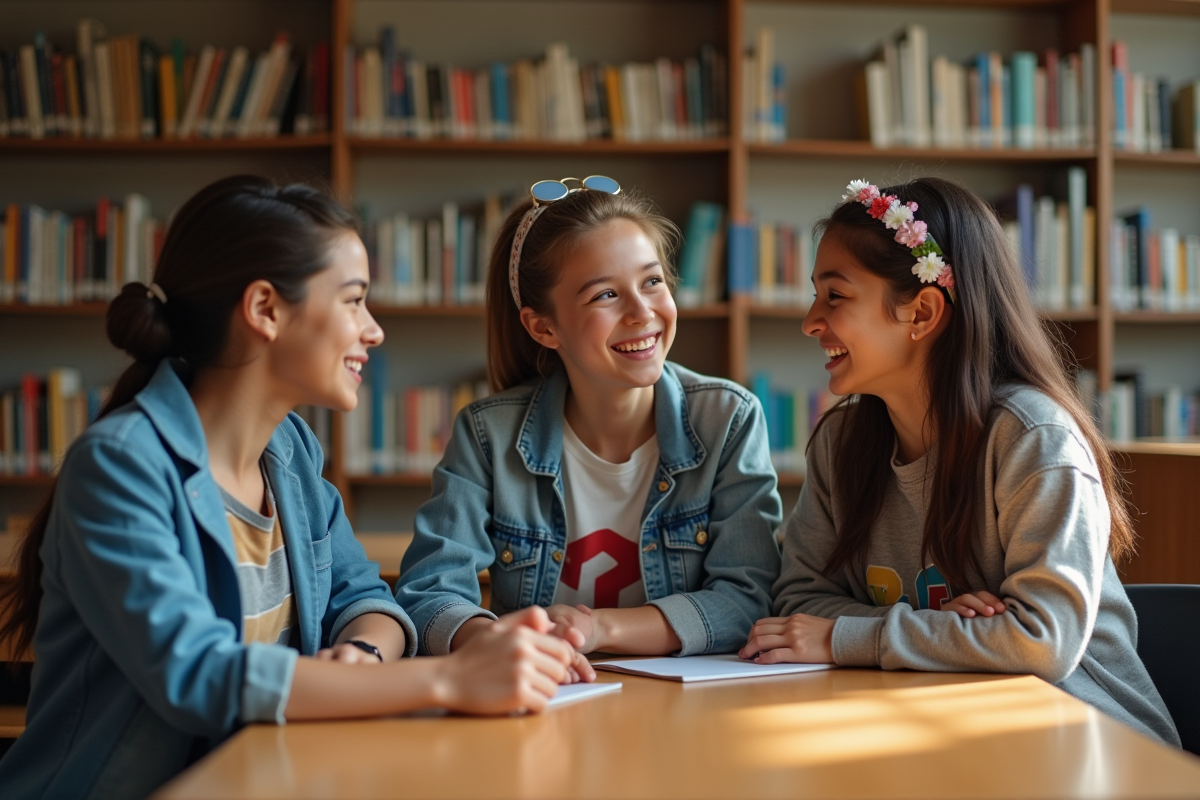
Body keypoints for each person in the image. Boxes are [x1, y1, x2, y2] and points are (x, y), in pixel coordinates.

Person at [0, 176, 574, 799]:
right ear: (265, 310)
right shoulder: (118, 467)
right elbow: (199, 676)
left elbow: (365, 599)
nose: (374, 330)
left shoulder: (289, 450)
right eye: (353, 301)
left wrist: (362, 659)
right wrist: (451, 680)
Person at [740, 176, 1180, 746]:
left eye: (835, 296)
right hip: (947, 729)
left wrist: (844, 635)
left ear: (921, 312)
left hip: (1092, 742)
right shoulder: (840, 443)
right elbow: (796, 601)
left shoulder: (1033, 439)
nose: (810, 321)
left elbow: (1040, 643)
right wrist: (942, 631)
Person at [395, 176, 781, 673]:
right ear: (544, 327)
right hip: (542, 700)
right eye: (605, 296)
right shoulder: (487, 436)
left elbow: (747, 599)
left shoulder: (728, 419)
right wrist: (498, 644)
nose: (643, 313)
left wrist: (597, 629)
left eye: (652, 281)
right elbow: (429, 593)